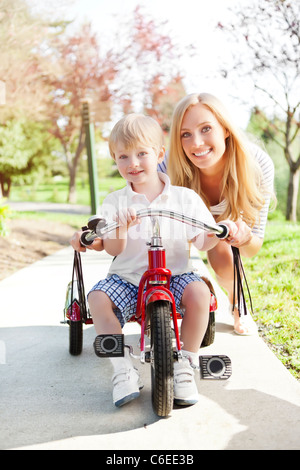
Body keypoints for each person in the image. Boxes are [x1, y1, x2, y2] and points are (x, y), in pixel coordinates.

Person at [75, 113, 237, 408]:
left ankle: (185, 362)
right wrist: (120, 226)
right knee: (98, 298)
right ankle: (122, 367)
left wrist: (221, 230)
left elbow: (203, 239)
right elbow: (112, 248)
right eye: (123, 156)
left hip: (174, 274)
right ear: (115, 160)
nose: (132, 163)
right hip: (127, 278)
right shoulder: (115, 201)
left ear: (159, 154)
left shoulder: (184, 199)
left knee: (200, 292)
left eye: (141, 154)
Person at [159, 93, 275, 336]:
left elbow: (253, 248)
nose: (196, 143)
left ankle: (237, 304)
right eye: (185, 134)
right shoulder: (167, 165)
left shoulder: (257, 164)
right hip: (179, 225)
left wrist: (242, 238)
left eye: (206, 129)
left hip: (222, 234)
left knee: (222, 250)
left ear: (225, 129)